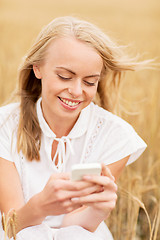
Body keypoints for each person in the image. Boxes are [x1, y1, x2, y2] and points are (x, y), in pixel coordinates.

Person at [0, 16, 147, 240]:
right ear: (37, 68)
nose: (77, 91)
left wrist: (98, 211)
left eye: (90, 82)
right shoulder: (5, 124)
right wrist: (42, 205)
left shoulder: (116, 136)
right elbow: (12, 226)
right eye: (65, 77)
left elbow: (76, 227)